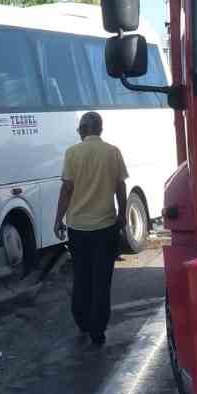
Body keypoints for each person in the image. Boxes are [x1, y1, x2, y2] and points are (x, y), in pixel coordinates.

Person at [54, 112, 128, 347]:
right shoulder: (112, 152)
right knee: (101, 279)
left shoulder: (73, 153)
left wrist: (58, 219)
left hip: (78, 227)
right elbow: (120, 186)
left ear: (82, 130)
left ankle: (82, 320)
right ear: (100, 129)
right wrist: (122, 213)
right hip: (105, 226)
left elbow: (67, 189)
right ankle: (98, 329)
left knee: (82, 275)